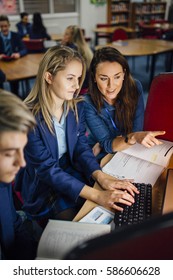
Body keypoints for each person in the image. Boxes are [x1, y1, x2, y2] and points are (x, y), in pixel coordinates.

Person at [15, 46, 139, 226]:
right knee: (80, 224)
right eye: (70, 78)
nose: (76, 85)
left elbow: (81, 147)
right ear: (49, 77)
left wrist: (99, 175)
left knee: (111, 208)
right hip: (43, 183)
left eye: (79, 78)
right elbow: (48, 170)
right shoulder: (29, 118)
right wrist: (97, 194)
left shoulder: (75, 107)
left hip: (70, 169)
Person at [84, 47, 165, 159]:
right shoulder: (87, 103)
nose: (111, 86)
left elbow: (137, 130)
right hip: (106, 150)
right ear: (94, 77)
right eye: (103, 78)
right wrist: (109, 143)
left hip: (128, 146)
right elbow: (108, 145)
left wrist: (112, 142)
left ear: (124, 74)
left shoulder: (135, 88)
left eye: (117, 77)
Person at [0, 89, 38, 260]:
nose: (22, 163)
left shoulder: (3, 179)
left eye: (21, 150)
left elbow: (14, 223)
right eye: (9, 153)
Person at [0, 15, 27, 96]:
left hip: (14, 64)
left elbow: (24, 49)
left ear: (9, 25)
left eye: (5, 26)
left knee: (15, 83)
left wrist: (19, 54)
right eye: (1, 26)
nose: (4, 28)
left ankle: (16, 97)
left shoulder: (16, 35)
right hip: (2, 64)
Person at [61, 25, 93, 93]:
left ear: (72, 36)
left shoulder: (71, 49)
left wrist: (62, 46)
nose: (64, 36)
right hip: (88, 86)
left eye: (66, 34)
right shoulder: (86, 48)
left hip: (78, 87)